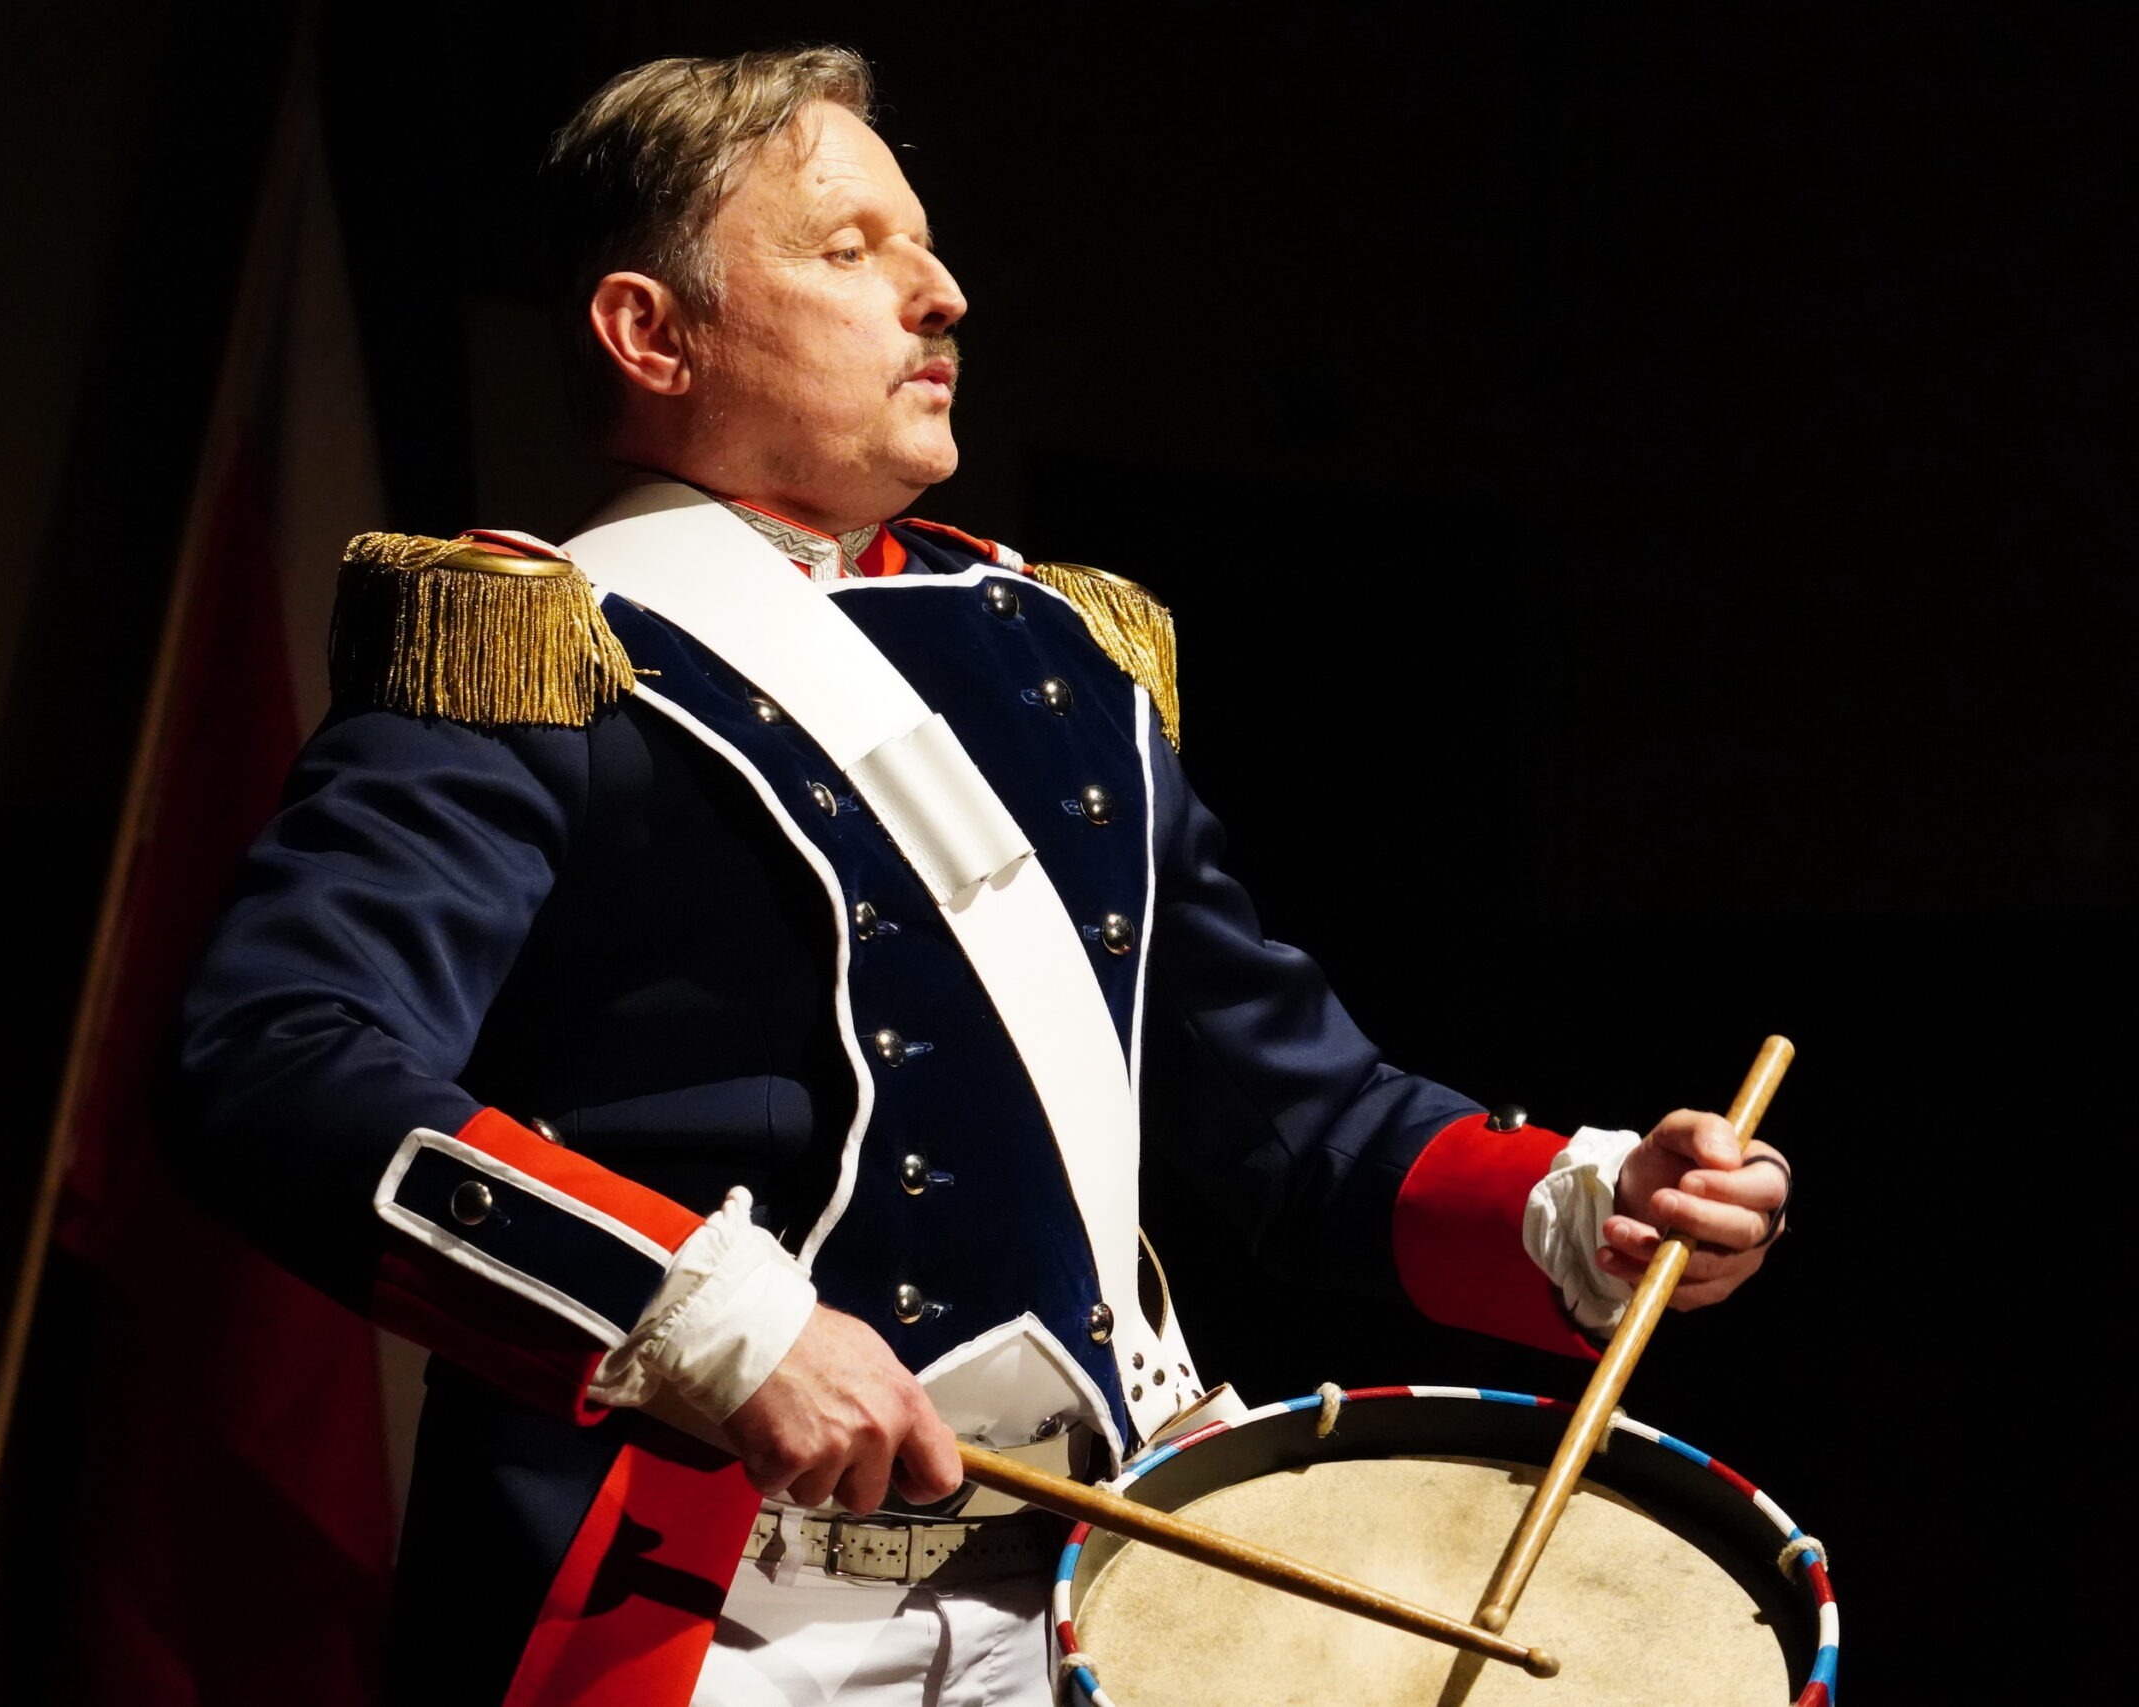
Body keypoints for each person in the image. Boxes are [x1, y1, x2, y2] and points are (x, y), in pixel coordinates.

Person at [171, 45, 1793, 1707]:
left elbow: (1289, 1116)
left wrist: (1576, 1202)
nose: (940, 295)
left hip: (1099, 1588)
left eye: (928, 247)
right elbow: (275, 1066)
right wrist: (710, 1324)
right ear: (652, 334)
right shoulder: (531, 651)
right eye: (850, 249)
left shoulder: (1056, 656)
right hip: (707, 1608)